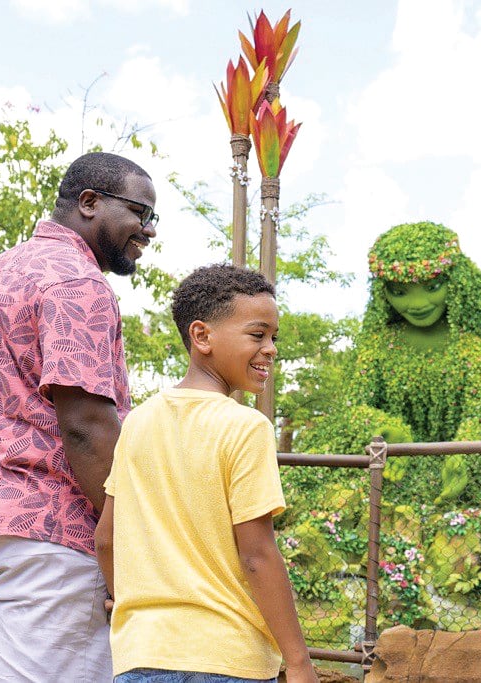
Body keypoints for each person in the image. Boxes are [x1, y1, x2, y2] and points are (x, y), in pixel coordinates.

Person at [0, 152, 157, 681]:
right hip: (44, 538)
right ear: (89, 203)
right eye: (141, 211)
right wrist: (134, 542)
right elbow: (86, 427)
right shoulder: (78, 283)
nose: (149, 230)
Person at [95, 264, 317, 683]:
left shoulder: (138, 423)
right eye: (257, 334)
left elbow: (106, 539)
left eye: (274, 337)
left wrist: (132, 609)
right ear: (202, 337)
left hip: (141, 655)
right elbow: (256, 555)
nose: (270, 348)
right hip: (227, 660)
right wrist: (300, 661)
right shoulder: (246, 427)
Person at [297, 221, 481, 504]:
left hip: (456, 482)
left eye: (432, 286)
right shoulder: (378, 346)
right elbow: (353, 407)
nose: (417, 303)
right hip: (384, 470)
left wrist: (463, 455)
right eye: (400, 292)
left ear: (456, 282)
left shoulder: (475, 350)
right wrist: (392, 431)